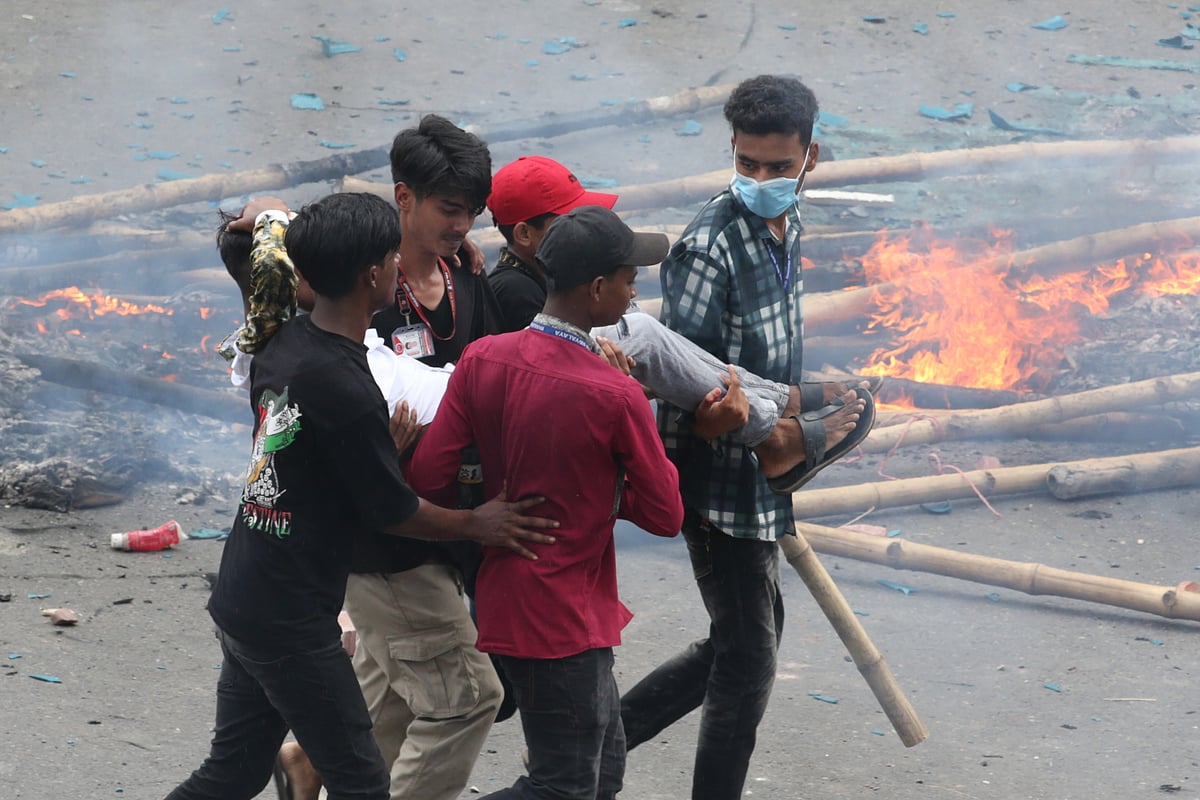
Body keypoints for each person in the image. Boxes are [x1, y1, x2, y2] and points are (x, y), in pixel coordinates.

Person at [166, 192, 556, 800]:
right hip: (290, 618)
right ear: (372, 274)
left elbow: (260, 227)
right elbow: (393, 511)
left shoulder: (278, 338)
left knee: (233, 772)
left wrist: (266, 219)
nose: (401, 268)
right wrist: (478, 521)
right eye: (393, 258)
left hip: (247, 592)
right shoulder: (346, 385)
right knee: (362, 782)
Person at [618, 75, 874, 800]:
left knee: (739, 646)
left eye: (776, 167)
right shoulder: (707, 248)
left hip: (763, 478)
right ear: (731, 151)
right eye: (747, 164)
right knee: (749, 660)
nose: (760, 180)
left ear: (810, 158)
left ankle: (590, 751)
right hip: (719, 483)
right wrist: (748, 426)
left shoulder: (789, 223)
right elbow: (680, 384)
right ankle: (587, 758)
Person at [408, 205, 685, 800]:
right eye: (630, 277)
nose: (636, 289)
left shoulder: (483, 357)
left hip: (505, 595)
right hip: (565, 617)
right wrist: (611, 476)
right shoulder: (615, 393)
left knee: (603, 772)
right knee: (562, 787)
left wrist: (477, 519)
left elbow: (431, 475)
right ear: (597, 289)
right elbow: (665, 514)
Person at [486, 153, 871, 476]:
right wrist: (617, 379)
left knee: (642, 325)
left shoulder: (560, 276)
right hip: (543, 432)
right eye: (570, 218)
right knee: (642, 331)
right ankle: (772, 437)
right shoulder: (515, 289)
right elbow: (547, 373)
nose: (582, 225)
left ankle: (780, 400)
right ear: (524, 234)